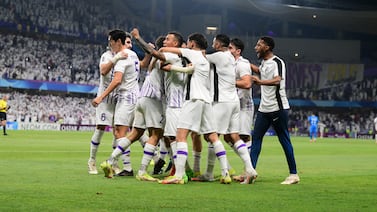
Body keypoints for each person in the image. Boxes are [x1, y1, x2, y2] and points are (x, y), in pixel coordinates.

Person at [152, 33, 232, 184]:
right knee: (213, 137)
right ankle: (225, 173)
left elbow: (173, 50)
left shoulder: (192, 53)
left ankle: (179, 175)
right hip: (206, 101)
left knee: (180, 136)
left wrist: (162, 47)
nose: (186, 45)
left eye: (188, 43)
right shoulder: (204, 60)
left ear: (193, 44)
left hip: (193, 99)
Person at [193, 34, 257, 184]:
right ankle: (250, 168)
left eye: (214, 42)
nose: (212, 44)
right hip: (234, 101)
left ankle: (210, 173)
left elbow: (199, 56)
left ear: (217, 44)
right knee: (234, 136)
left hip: (222, 101)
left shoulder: (219, 56)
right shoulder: (230, 58)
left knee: (212, 136)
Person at [250, 36, 300, 185]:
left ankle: (294, 174)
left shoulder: (278, 62)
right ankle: (250, 171)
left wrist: (260, 82)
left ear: (267, 47)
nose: (255, 47)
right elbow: (261, 71)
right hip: (264, 108)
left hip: (278, 108)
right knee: (256, 138)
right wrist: (246, 64)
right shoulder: (264, 63)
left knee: (284, 139)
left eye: (259, 45)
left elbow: (278, 79)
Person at [92, 29, 140, 178]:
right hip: (133, 95)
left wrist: (101, 97)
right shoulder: (133, 54)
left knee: (121, 132)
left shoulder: (123, 57)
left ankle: (123, 165)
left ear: (118, 42)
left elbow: (117, 80)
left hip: (126, 97)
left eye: (111, 42)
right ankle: (121, 164)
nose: (110, 45)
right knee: (135, 131)